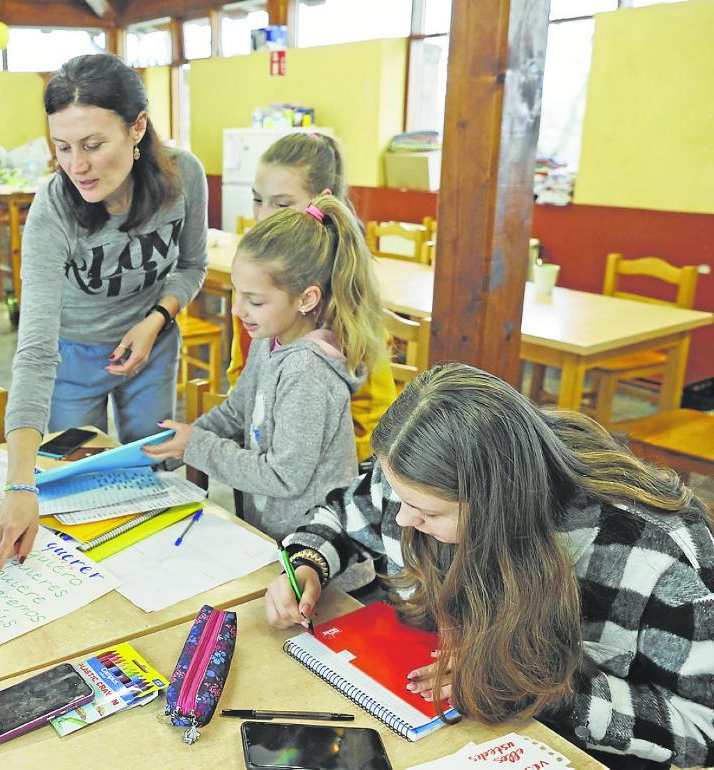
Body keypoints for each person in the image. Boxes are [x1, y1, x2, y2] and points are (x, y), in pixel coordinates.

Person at [265, 363, 714, 770]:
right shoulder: (417, 475)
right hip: (441, 722)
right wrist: (307, 563)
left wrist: (532, 685)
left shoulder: (651, 555)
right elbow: (339, 517)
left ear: (500, 505)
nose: (403, 520)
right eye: (400, 499)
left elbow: (702, 730)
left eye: (429, 513)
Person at [0, 53, 209, 576]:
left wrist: (156, 318)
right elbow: (36, 350)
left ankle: (160, 580)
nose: (77, 165)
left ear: (137, 127)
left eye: (92, 145)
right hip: (71, 357)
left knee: (153, 473)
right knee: (75, 484)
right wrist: (19, 485)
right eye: (62, 148)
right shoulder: (53, 208)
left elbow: (193, 266)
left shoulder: (185, 177)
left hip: (150, 348)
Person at [142, 198, 385, 541]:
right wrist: (169, 449)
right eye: (236, 294)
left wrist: (197, 446)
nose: (238, 311)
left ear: (306, 299)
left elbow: (284, 477)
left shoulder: (308, 372)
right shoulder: (269, 339)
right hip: (273, 541)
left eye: (255, 301)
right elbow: (236, 412)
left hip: (319, 562)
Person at [228, 132, 397, 462]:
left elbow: (372, 417)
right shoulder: (257, 281)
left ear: (321, 200)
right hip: (267, 452)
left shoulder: (347, 290)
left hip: (340, 467)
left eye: (282, 203)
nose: (262, 215)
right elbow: (240, 372)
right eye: (257, 199)